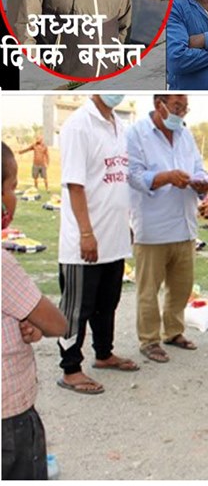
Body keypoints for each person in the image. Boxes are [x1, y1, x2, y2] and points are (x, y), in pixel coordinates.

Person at [57, 94, 140, 395]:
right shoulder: (79, 126)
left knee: (107, 304)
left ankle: (104, 354)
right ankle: (70, 369)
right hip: (85, 241)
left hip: (114, 236)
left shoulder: (119, 125)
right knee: (76, 308)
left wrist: (126, 225)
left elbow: (117, 180)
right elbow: (75, 184)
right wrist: (86, 233)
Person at [126, 94, 208, 364]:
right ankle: (149, 340)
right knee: (148, 290)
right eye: (177, 107)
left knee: (181, 286)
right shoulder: (136, 134)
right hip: (153, 227)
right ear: (158, 104)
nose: (181, 113)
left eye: (185, 108)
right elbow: (134, 176)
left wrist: (202, 183)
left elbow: (198, 167)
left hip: (185, 226)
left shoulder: (185, 134)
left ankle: (173, 331)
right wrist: (166, 177)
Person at [2, 142, 68, 480]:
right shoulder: (2, 265)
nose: (13, 196)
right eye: (12, 187)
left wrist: (24, 322)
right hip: (8, 419)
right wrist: (39, 321)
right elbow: (57, 323)